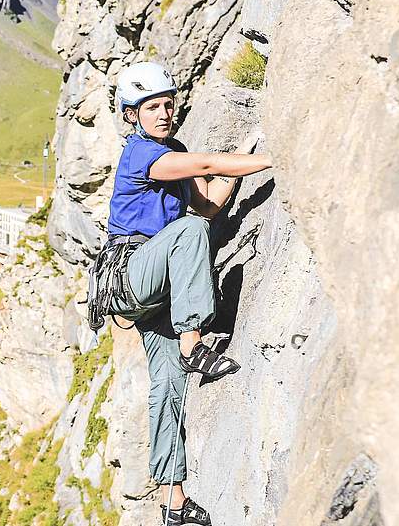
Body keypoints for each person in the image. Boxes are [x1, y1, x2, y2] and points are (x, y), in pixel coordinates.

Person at [103, 62, 272, 525]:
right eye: (151, 107)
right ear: (132, 114)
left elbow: (208, 201)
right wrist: (275, 158)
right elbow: (203, 167)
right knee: (190, 233)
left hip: (159, 290)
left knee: (169, 385)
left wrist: (240, 164)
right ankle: (194, 342)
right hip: (131, 274)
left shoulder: (171, 150)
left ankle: (174, 502)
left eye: (167, 104)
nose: (163, 113)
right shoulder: (141, 153)